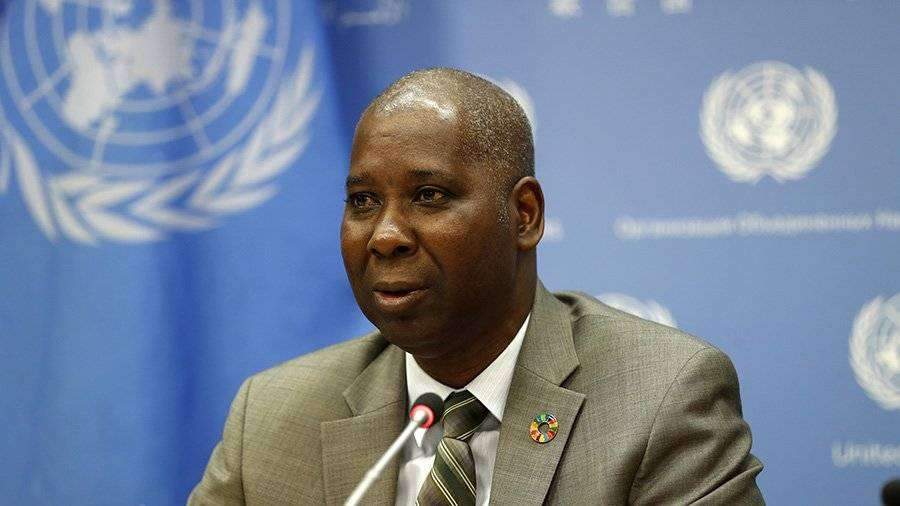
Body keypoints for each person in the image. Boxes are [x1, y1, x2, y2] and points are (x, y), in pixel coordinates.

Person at [189, 68, 764, 505]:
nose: (385, 236)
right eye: (363, 201)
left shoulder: (659, 398)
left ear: (524, 215)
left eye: (429, 196)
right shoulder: (272, 418)